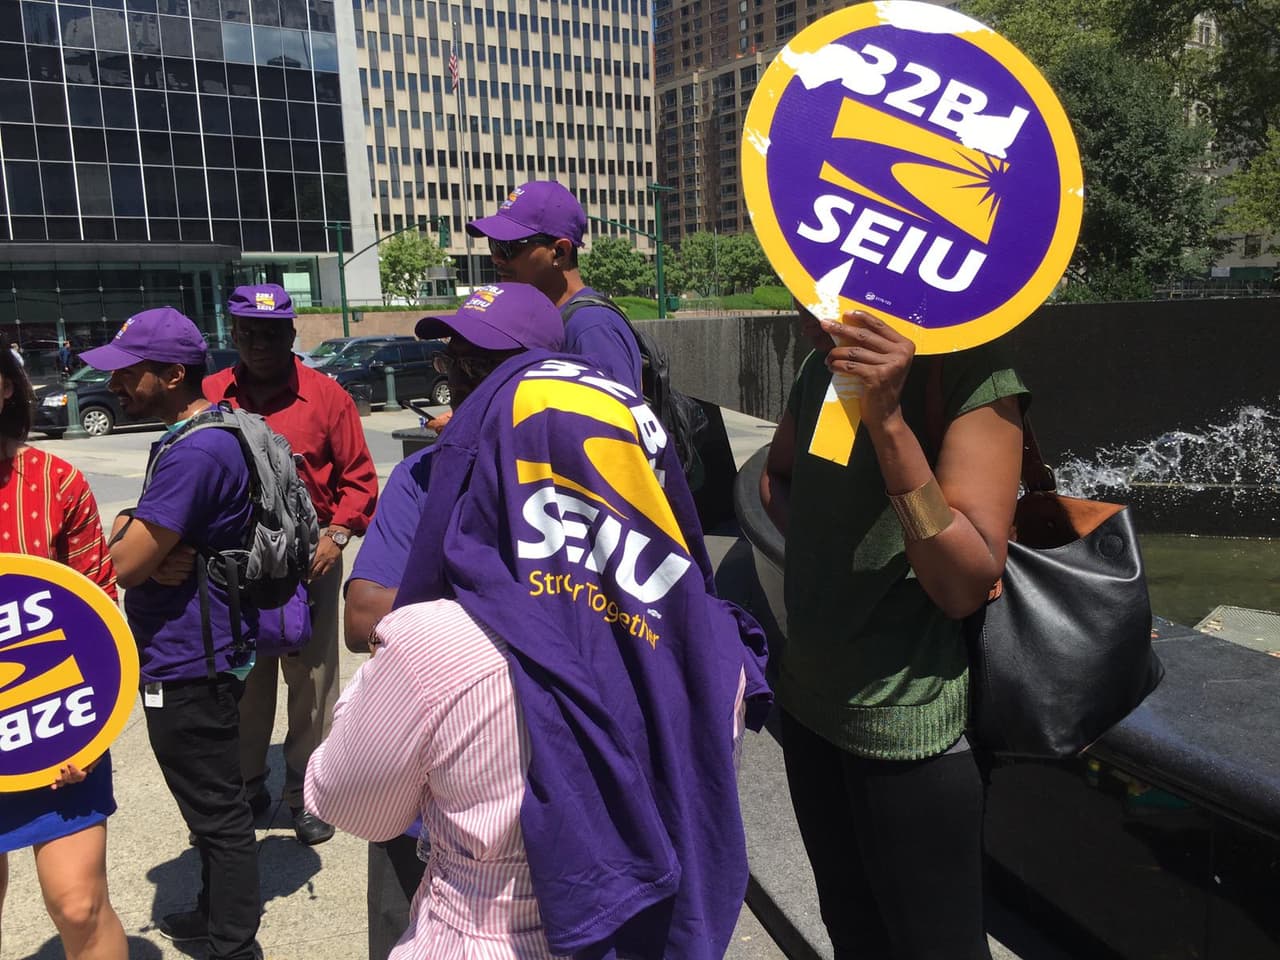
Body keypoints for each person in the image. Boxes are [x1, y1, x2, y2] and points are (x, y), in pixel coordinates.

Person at [309, 281, 770, 959]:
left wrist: (380, 687)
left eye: (475, 375)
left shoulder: (435, 642)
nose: (456, 390)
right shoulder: (710, 640)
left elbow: (351, 802)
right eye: (453, 366)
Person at [759, 308, 1028, 960]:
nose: (803, 308)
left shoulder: (973, 370)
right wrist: (837, 570)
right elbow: (777, 478)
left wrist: (886, 420)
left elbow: (965, 581)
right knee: (854, 937)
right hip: (810, 708)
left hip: (907, 727)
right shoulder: (822, 368)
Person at [338, 286, 565, 960]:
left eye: (485, 364)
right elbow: (364, 618)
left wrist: (440, 616)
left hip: (556, 794)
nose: (462, 380)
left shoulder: (584, 476)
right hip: (433, 794)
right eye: (455, 361)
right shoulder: (424, 475)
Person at [84, 307, 262, 960]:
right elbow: (137, 548)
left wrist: (134, 541)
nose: (118, 387)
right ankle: (215, 913)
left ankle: (236, 947)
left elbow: (121, 565)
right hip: (200, 648)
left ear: (174, 373)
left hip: (191, 658)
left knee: (218, 815)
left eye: (129, 374)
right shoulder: (198, 434)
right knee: (209, 808)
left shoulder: (199, 451)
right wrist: (137, 525)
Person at [204, 283, 378, 846]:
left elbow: (359, 481)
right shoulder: (213, 395)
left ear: (291, 334)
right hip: (237, 565)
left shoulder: (328, 397)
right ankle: (249, 781)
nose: (259, 343)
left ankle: (306, 789)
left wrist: (338, 532)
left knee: (313, 680)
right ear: (233, 333)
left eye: (272, 332)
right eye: (248, 332)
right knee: (245, 679)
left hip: (310, 562)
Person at [0, 338, 127, 960]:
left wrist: (86, 733)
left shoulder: (54, 482)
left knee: (77, 903)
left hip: (51, 728)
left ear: (4, 386)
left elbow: (98, 614)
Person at [466, 179, 643, 395]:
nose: (496, 258)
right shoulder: (550, 320)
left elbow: (617, 425)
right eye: (493, 244)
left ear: (560, 252)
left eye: (508, 247)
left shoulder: (591, 328)